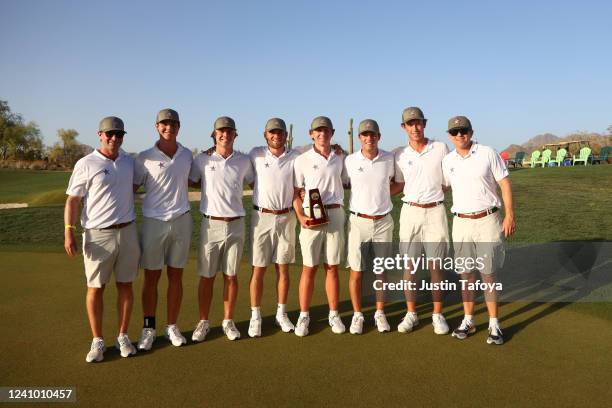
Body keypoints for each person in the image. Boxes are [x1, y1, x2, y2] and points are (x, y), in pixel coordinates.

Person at [64, 116, 139, 362]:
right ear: (100, 134)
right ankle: (98, 341)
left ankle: (123, 336)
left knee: (126, 286)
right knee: (96, 288)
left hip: (127, 231)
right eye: (109, 134)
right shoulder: (86, 163)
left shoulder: (129, 162)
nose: (114, 138)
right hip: (97, 234)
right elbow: (74, 199)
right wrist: (69, 230)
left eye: (118, 134)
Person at [442, 115, 515, 345]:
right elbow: (444, 187)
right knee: (466, 275)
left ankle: (494, 324)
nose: (460, 135)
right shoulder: (448, 160)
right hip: (461, 222)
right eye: (455, 132)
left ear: (471, 132)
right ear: (449, 136)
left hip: (488, 219)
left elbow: (504, 183)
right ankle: (469, 320)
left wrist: (510, 214)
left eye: (463, 130)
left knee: (488, 274)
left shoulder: (487, 153)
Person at [189, 116, 254, 341]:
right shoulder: (201, 160)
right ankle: (203, 322)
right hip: (211, 224)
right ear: (214, 135)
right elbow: (192, 180)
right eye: (220, 131)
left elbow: (257, 183)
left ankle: (228, 321)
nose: (224, 135)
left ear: (235, 135)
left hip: (236, 224)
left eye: (229, 131)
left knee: (231, 276)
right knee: (207, 276)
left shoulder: (244, 161)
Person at [134, 109, 193, 351]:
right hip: (153, 222)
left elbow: (199, 178)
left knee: (176, 276)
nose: (169, 127)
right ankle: (149, 328)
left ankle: (171, 326)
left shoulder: (187, 155)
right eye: (164, 124)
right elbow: (131, 188)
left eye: (173, 124)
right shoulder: (144, 157)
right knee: (151, 277)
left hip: (181, 220)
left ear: (179, 127)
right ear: (157, 126)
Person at [393, 107, 451, 335]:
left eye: (418, 123)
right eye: (410, 124)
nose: (415, 127)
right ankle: (412, 314)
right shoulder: (399, 154)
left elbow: (449, 180)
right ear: (403, 127)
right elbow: (398, 184)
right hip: (410, 213)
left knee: (436, 266)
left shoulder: (440, 148)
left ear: (424, 124)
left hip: (435, 212)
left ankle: (437, 315)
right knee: (410, 266)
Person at [293, 116, 348, 337]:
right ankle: (304, 315)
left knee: (332, 266)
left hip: (335, 213)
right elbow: (296, 192)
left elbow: (347, 181)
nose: (322, 134)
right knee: (309, 267)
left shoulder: (340, 157)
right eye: (317, 131)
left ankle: (334, 313)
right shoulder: (302, 159)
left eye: (325, 130)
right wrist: (300, 216)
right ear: (311, 133)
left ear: (332, 133)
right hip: (311, 216)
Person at [247, 118, 299, 337]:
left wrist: (335, 147)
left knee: (283, 268)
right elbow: (251, 181)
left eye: (280, 132)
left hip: (287, 217)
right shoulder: (255, 154)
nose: (276, 136)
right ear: (265, 135)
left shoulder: (296, 156)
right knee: (259, 268)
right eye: (272, 132)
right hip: (262, 218)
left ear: (286, 135)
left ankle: (281, 313)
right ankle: (255, 316)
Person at [344, 119, 396, 334]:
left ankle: (379, 313)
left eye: (372, 134)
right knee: (357, 271)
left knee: (381, 271)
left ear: (379, 136)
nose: (369, 138)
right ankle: (357, 315)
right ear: (359, 138)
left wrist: (383, 195)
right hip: (358, 222)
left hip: (383, 221)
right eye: (365, 135)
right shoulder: (349, 161)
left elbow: (398, 183)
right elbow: (341, 183)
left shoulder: (389, 158)